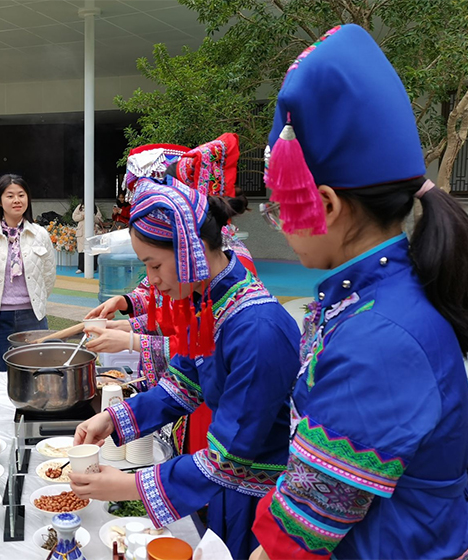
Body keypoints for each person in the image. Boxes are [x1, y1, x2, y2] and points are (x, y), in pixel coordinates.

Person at [246, 25, 468, 560]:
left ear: (326, 206)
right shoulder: (377, 299)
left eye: (281, 208)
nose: (280, 223)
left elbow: (303, 530)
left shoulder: (380, 335)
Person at [70, 180, 301, 559]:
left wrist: (130, 486)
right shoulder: (208, 303)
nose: (151, 280)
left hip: (258, 506)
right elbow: (182, 385)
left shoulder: (258, 330)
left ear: (193, 252)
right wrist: (111, 419)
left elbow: (227, 458)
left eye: (155, 265)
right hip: (228, 492)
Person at [84, 134, 262, 454]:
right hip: (185, 396)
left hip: (211, 412)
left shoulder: (244, 308)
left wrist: (129, 339)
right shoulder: (193, 274)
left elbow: (201, 349)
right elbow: (184, 365)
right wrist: (125, 309)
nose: (152, 279)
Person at [0, 174, 56, 371]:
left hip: (32, 316)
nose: (17, 200)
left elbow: (48, 275)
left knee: (37, 373)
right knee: (2, 374)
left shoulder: (40, 235)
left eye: (21, 195)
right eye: (10, 196)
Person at [73, 202, 102, 274]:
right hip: (82, 231)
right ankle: (81, 268)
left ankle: (94, 267)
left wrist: (92, 216)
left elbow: (99, 219)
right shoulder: (80, 207)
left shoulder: (95, 207)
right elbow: (74, 217)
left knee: (93, 249)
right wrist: (82, 216)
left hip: (92, 230)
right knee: (81, 249)